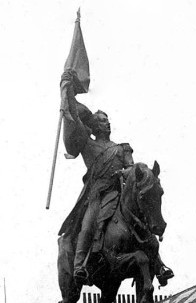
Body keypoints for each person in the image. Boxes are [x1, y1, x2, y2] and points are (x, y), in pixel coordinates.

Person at [59, 70, 173, 286]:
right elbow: (72, 116)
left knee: (141, 221)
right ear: (94, 125)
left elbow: (132, 170)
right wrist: (66, 89)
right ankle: (80, 265)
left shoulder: (122, 148)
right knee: (88, 223)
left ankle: (159, 265)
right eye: (102, 121)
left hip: (118, 192)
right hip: (96, 195)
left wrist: (129, 174)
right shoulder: (88, 145)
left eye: (108, 120)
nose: (107, 123)